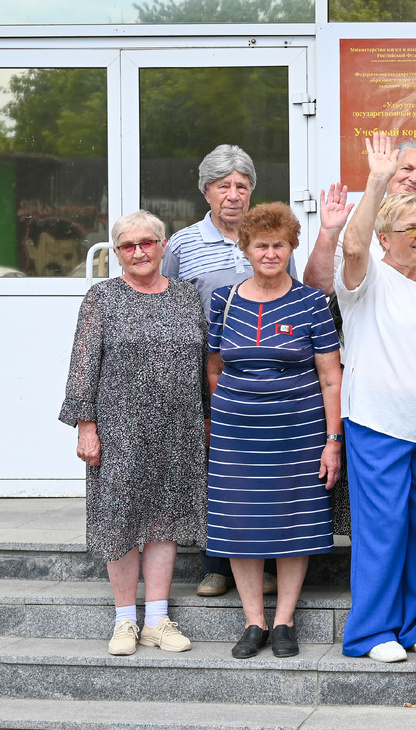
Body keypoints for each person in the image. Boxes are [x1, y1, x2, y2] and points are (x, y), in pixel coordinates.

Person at [60, 211, 206, 656]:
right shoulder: (101, 297)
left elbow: (204, 363)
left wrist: (208, 419)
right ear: (117, 253)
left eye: (147, 242)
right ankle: (125, 621)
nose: (139, 251)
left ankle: (157, 620)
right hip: (119, 427)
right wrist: (86, 427)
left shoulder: (186, 295)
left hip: (177, 427)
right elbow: (83, 364)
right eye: (128, 245)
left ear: (163, 246)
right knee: (119, 519)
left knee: (164, 521)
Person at [334, 174, 416, 663]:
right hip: (377, 424)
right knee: (382, 529)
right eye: (408, 227)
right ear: (383, 238)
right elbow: (351, 246)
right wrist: (374, 184)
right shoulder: (368, 279)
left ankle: (413, 625)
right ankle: (369, 632)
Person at [206, 203, 342, 659]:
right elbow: (214, 368)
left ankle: (283, 621)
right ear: (245, 247)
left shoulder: (311, 303)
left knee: (293, 521)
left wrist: (332, 440)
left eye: (279, 245)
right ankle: (253, 621)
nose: (270, 253)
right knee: (240, 524)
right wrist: (222, 417)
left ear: (291, 247)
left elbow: (330, 377)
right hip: (235, 434)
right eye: (261, 245)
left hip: (299, 433)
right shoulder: (222, 300)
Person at [163, 143, 289, 598]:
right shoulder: (183, 244)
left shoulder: (272, 238)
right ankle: (216, 563)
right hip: (204, 370)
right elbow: (168, 303)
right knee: (216, 466)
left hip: (266, 372)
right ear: (207, 192)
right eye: (223, 186)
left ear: (252, 191)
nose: (233, 195)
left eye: (242, 186)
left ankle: (269, 561)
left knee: (267, 466)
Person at [302, 135, 416, 298]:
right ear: (390, 170)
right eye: (407, 169)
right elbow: (319, 287)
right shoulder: (354, 221)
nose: (414, 178)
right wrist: (327, 233)